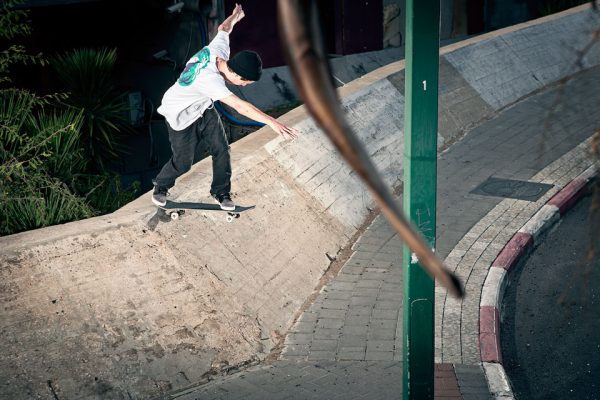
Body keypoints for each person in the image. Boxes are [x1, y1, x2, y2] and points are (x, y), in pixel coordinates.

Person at [152, 3, 298, 210]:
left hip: (203, 107)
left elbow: (223, 29)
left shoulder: (220, 50)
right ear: (237, 75)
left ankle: (221, 193)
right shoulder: (211, 80)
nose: (244, 86)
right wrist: (273, 123)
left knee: (221, 149)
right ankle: (161, 185)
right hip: (180, 114)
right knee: (183, 162)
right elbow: (241, 107)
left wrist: (234, 17)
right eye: (245, 83)